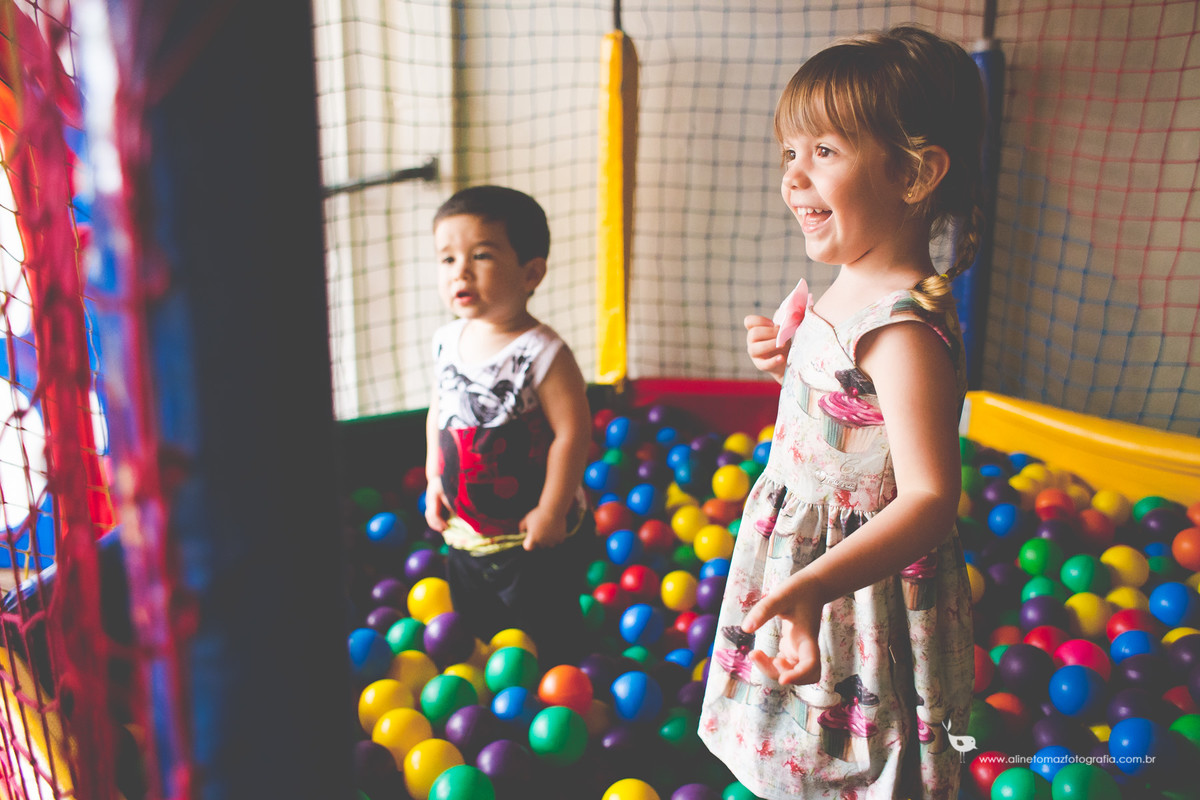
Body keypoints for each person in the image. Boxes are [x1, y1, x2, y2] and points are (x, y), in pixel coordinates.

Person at [698, 26, 983, 799]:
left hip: (857, 582)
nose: (794, 177)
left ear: (915, 173)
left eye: (823, 152)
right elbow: (853, 417)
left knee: (857, 754)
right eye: (790, 153)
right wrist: (791, 362)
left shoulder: (902, 329)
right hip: (805, 554)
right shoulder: (853, 278)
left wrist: (816, 585)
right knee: (792, 725)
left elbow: (927, 498)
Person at [423, 185, 593, 668]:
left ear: (530, 272)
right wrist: (437, 478)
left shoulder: (542, 352)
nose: (460, 271)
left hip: (530, 538)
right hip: (467, 530)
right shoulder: (445, 341)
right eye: (447, 259)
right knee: (475, 622)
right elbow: (440, 411)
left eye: (480, 255)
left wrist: (551, 510)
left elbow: (572, 433)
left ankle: (561, 679)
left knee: (545, 626)